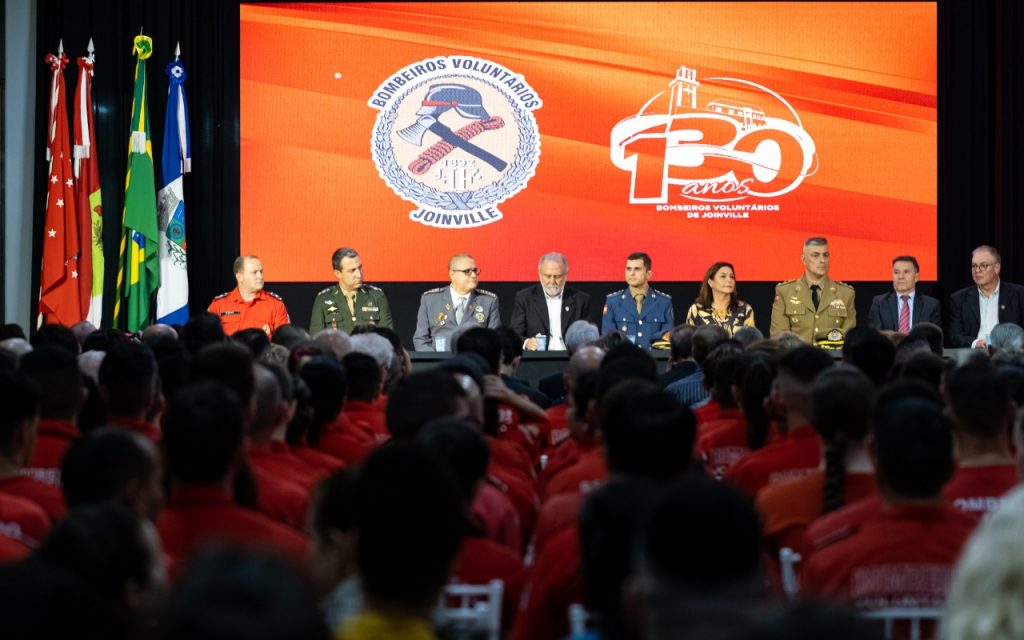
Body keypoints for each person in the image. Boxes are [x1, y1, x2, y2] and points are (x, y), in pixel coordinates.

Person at [770, 237, 856, 347]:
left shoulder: (846, 293)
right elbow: (779, 338)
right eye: (815, 255)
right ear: (803, 259)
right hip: (796, 360)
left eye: (825, 255)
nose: (822, 260)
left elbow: (850, 339)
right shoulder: (784, 292)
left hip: (831, 361)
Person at [412, 253, 500, 351]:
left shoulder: (488, 301)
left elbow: (494, 341)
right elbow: (421, 339)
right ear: (452, 274)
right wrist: (436, 360)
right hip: (440, 363)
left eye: (475, 271)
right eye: (467, 271)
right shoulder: (430, 300)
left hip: (474, 363)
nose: (474, 275)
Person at [509, 252, 591, 351]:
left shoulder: (581, 300)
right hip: (538, 360)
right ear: (539, 274)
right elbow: (514, 334)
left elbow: (588, 337)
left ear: (566, 275)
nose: (552, 281)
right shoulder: (524, 298)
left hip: (570, 358)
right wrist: (527, 343)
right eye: (548, 276)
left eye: (557, 276)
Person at [949, 245, 1024, 348]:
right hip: (974, 356)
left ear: (997, 268)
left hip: (1009, 356)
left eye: (983, 265)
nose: (977, 270)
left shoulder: (1019, 294)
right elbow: (955, 336)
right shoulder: (959, 298)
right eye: (974, 266)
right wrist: (975, 343)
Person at [309, 248, 393, 335]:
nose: (359, 275)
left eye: (360, 268)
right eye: (352, 271)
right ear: (338, 273)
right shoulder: (323, 299)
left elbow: (388, 338)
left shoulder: (377, 296)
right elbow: (316, 340)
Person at [602, 251, 674, 350]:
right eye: (628, 269)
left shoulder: (664, 302)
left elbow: (667, 337)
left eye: (637, 269)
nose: (632, 273)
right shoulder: (612, 302)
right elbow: (607, 337)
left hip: (653, 361)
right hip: (622, 360)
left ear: (648, 274)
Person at [208, 255, 290, 337]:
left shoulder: (275, 304)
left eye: (261, 272)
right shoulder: (219, 305)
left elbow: (284, 341)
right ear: (240, 277)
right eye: (254, 272)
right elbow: (207, 340)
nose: (260, 276)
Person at [867, 255, 941, 332]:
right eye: (896, 272)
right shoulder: (880, 303)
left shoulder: (931, 305)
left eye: (906, 272)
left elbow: (933, 339)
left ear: (916, 277)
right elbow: (875, 337)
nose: (900, 276)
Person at [685, 261, 756, 336]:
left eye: (732, 277)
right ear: (710, 282)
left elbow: (751, 342)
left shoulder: (744, 309)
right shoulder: (696, 309)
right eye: (723, 276)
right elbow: (688, 342)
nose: (729, 280)